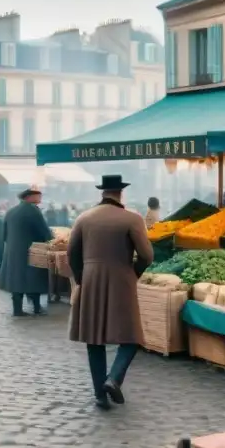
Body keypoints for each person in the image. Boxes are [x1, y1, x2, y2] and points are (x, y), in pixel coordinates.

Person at [68, 175, 154, 409]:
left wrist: (81, 278)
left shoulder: (83, 218)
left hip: (90, 277)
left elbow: (72, 254)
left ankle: (99, 394)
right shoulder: (132, 219)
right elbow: (147, 255)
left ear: (102, 192)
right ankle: (114, 378)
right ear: (120, 193)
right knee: (131, 335)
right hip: (121, 277)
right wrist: (133, 273)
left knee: (94, 338)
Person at [0, 186, 51, 316]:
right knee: (34, 279)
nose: (40, 198)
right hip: (32, 251)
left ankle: (17, 309)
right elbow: (44, 231)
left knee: (16, 280)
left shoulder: (10, 211)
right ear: (29, 197)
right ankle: (37, 307)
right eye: (38, 196)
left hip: (13, 251)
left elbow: (4, 234)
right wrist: (50, 240)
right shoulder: (33, 210)